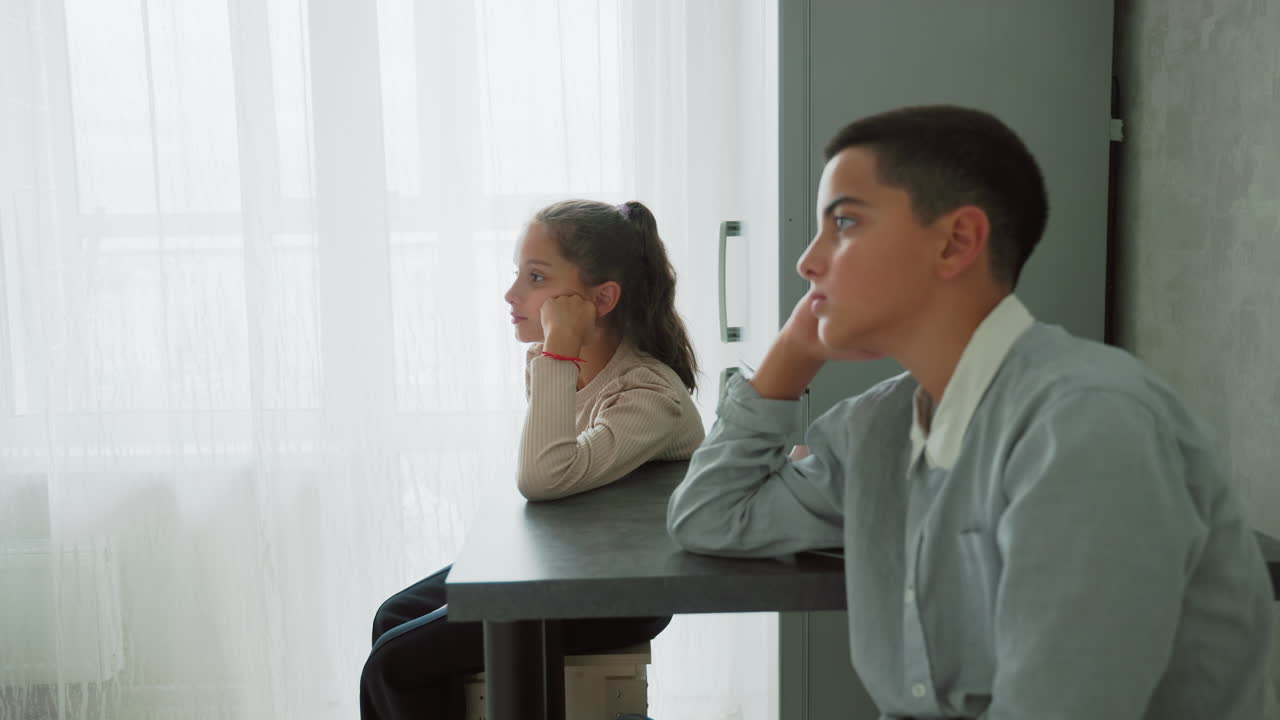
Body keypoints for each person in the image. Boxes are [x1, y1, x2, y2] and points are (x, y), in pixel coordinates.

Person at [667, 105, 1275, 719]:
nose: (808, 261)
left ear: (956, 242)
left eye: (844, 222)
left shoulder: (1085, 424)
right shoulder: (879, 427)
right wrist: (789, 357)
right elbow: (711, 516)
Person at [362, 199, 705, 719]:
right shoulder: (564, 369)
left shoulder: (648, 394)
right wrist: (557, 357)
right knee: (394, 618)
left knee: (394, 664)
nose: (512, 294)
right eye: (518, 274)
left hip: (616, 594)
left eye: (536, 276)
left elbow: (543, 476)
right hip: (568, 568)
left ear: (602, 298)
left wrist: (558, 352)